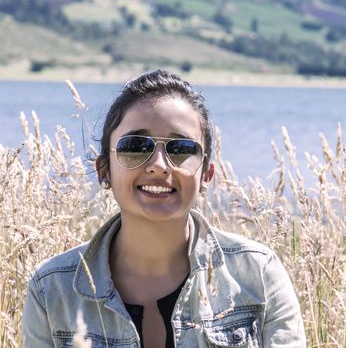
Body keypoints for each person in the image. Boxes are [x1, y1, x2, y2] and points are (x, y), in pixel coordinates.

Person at [22, 70, 306, 347]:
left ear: (206, 174)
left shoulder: (257, 274)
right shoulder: (52, 289)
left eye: (181, 149)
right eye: (135, 146)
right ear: (103, 170)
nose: (158, 165)